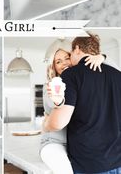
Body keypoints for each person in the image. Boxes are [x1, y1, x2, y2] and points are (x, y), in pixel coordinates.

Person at [43, 34, 121, 174]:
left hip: (89, 163)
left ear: (77, 49)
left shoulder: (71, 75)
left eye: (69, 55)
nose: (67, 61)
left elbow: (57, 123)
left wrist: (47, 123)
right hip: (118, 160)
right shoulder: (117, 74)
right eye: (58, 61)